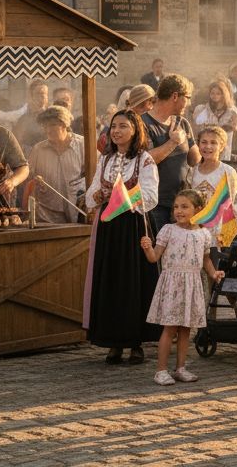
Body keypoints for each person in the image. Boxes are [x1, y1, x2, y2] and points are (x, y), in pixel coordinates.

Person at [84, 109, 160, 364]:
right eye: (113, 126)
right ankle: (113, 341)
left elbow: (150, 195)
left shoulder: (145, 160)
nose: (116, 131)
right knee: (110, 282)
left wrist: (123, 198)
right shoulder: (105, 160)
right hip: (109, 228)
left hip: (132, 227)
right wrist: (95, 196)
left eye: (123, 126)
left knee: (132, 282)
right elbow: (93, 189)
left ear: (135, 130)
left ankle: (135, 342)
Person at [140, 188, 223, 386]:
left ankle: (180, 368)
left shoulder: (204, 234)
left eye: (185, 207)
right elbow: (154, 258)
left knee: (186, 329)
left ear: (198, 209)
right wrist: (147, 247)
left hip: (192, 284)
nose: (179, 210)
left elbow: (206, 260)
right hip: (172, 285)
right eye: (176, 207)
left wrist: (214, 273)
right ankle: (160, 370)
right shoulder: (168, 230)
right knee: (170, 328)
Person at [142, 75, 200, 235]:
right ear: (175, 96)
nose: (189, 103)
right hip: (156, 204)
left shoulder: (182, 122)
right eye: (187, 98)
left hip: (182, 203)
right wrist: (173, 142)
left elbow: (194, 159)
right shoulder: (143, 124)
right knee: (157, 255)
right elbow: (146, 160)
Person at [27, 106, 86, 224]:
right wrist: (36, 180)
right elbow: (29, 175)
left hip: (79, 210)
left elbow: (96, 172)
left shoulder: (82, 145)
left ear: (64, 124)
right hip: (48, 214)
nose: (48, 130)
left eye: (52, 125)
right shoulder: (38, 150)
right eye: (45, 126)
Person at [188, 126, 237, 228]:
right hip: (196, 224)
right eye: (204, 142)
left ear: (221, 147)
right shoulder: (192, 171)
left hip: (219, 225)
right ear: (198, 145)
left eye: (213, 143)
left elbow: (231, 201)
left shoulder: (228, 171)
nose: (208, 146)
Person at [192, 77, 237, 159]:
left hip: (224, 148)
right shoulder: (202, 110)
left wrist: (217, 129)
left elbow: (234, 127)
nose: (215, 96)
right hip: (206, 149)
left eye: (218, 93)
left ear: (223, 94)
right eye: (212, 93)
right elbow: (196, 129)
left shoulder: (232, 111)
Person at [0, 80, 50, 151]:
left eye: (45, 94)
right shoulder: (22, 117)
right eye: (39, 93)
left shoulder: (51, 116)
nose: (43, 96)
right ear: (31, 96)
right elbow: (17, 142)